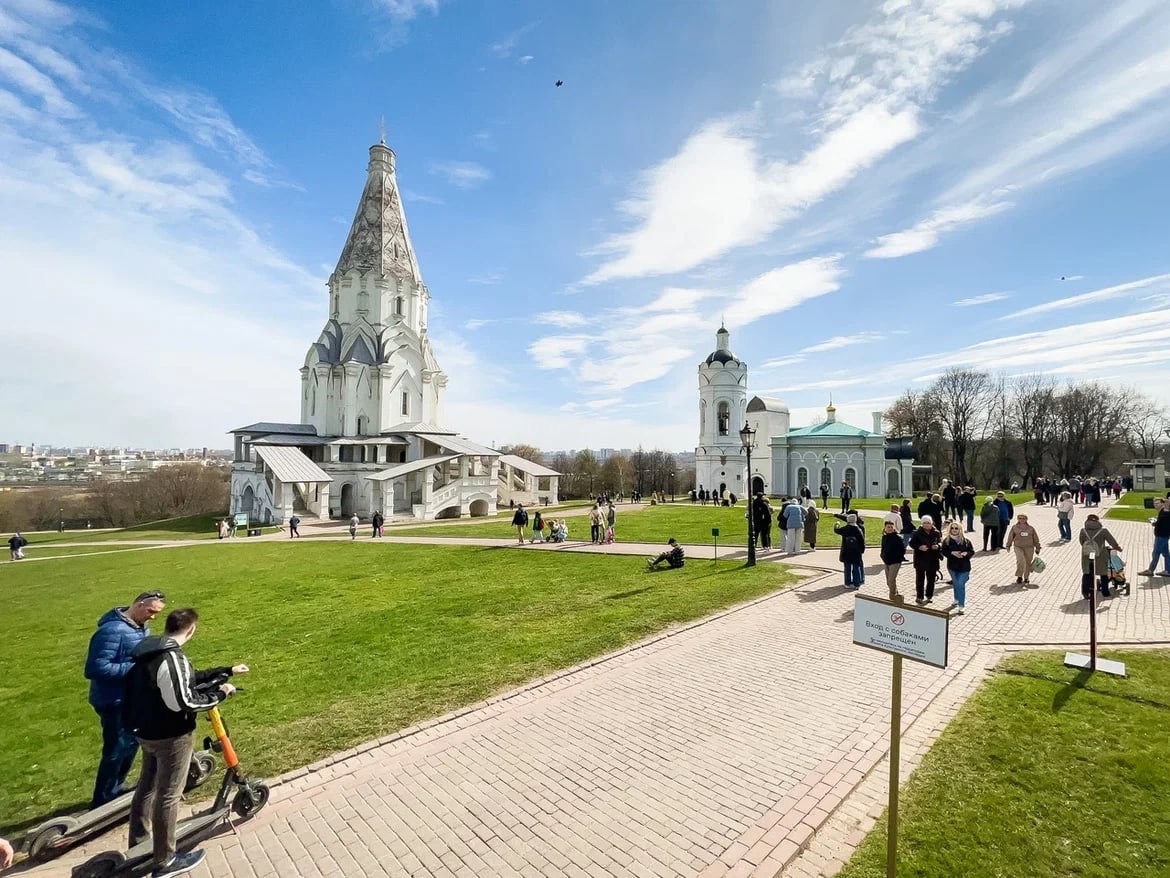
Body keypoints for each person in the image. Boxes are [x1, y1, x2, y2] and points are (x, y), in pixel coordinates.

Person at [123, 608, 246, 878]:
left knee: (147, 787)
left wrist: (227, 671)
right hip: (171, 735)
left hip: (146, 730)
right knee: (168, 794)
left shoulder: (150, 651)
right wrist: (221, 694)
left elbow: (185, 681)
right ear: (191, 630)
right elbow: (185, 701)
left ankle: (140, 840)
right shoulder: (171, 657)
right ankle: (165, 860)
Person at [85, 590, 167, 808]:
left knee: (130, 745)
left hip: (130, 698)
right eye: (151, 611)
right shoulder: (112, 631)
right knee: (115, 750)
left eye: (157, 613)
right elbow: (96, 668)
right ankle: (102, 799)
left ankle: (115, 789)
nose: (153, 617)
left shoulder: (139, 627)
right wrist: (136, 668)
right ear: (139, 604)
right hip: (112, 701)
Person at [1078, 514, 1122, 600]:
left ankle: (1086, 592)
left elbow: (1082, 542)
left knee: (1087, 573)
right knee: (1103, 573)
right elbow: (1112, 541)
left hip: (1087, 555)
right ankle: (1105, 592)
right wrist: (1118, 548)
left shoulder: (1083, 531)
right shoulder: (1103, 531)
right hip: (1101, 555)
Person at [940, 522, 974, 614]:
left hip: (964, 567)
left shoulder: (966, 541)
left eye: (956, 528)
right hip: (952, 567)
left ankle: (961, 605)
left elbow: (971, 551)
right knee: (956, 583)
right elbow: (943, 551)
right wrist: (952, 553)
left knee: (960, 585)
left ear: (960, 529)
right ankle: (956, 598)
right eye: (952, 528)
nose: (954, 530)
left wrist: (966, 554)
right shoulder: (947, 541)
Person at [909, 515, 942, 605]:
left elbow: (940, 542)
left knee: (931, 579)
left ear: (931, 524)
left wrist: (938, 546)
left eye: (928, 523)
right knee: (920, 579)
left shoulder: (936, 532)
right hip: (920, 559)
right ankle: (919, 596)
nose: (927, 525)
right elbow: (911, 543)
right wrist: (919, 547)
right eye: (924, 523)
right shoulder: (917, 533)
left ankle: (929, 595)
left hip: (933, 559)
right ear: (922, 524)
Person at [1004, 513, 1041, 586]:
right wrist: (1008, 545)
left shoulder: (1031, 528)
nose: (1022, 520)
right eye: (1020, 518)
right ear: (1018, 519)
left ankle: (1026, 578)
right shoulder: (1014, 527)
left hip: (1029, 547)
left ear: (1026, 519)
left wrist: (1038, 547)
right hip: (1018, 547)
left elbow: (1036, 538)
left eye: (1023, 518)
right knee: (1021, 560)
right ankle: (1019, 576)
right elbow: (1010, 537)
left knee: (1028, 562)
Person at [1138, 497, 1170, 576]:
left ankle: (1150, 570)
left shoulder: (1165, 512)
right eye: (1155, 504)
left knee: (1155, 553)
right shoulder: (1162, 511)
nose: (1156, 505)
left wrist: (1154, 523)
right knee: (1166, 554)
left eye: (1158, 503)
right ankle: (1168, 571)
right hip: (1163, 536)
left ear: (1162, 503)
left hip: (1162, 536)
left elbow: (1163, 523)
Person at [834, 513, 865, 588]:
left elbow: (836, 530)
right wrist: (862, 550)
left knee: (847, 568)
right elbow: (862, 541)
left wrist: (836, 524)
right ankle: (856, 584)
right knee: (856, 568)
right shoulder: (858, 530)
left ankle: (847, 583)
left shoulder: (845, 529)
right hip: (856, 552)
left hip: (846, 551)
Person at [879, 520, 906, 598]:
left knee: (891, 580)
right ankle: (896, 593)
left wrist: (898, 557)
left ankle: (892, 597)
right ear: (885, 528)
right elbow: (883, 548)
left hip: (895, 562)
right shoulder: (884, 537)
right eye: (888, 527)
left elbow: (902, 550)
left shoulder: (897, 538)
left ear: (894, 528)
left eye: (891, 527)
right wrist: (882, 555)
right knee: (888, 582)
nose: (890, 528)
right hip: (886, 561)